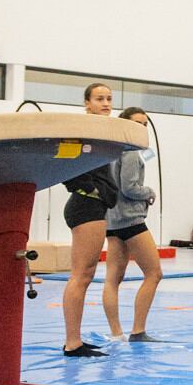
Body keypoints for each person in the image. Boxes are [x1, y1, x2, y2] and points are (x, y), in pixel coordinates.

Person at [58, 83, 119, 358]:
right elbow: (65, 164)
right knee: (81, 275)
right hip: (86, 206)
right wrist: (91, 190)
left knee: (86, 273)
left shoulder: (101, 132)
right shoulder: (82, 130)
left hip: (94, 205)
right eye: (99, 99)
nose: (105, 103)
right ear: (87, 103)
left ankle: (74, 339)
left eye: (108, 99)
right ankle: (72, 342)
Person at [99, 106, 162, 342]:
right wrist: (149, 192)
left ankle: (116, 333)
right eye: (138, 124)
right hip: (130, 219)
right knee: (154, 273)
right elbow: (129, 187)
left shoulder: (112, 151)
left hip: (112, 219)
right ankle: (138, 330)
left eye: (145, 124)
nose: (142, 128)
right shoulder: (132, 153)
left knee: (113, 278)